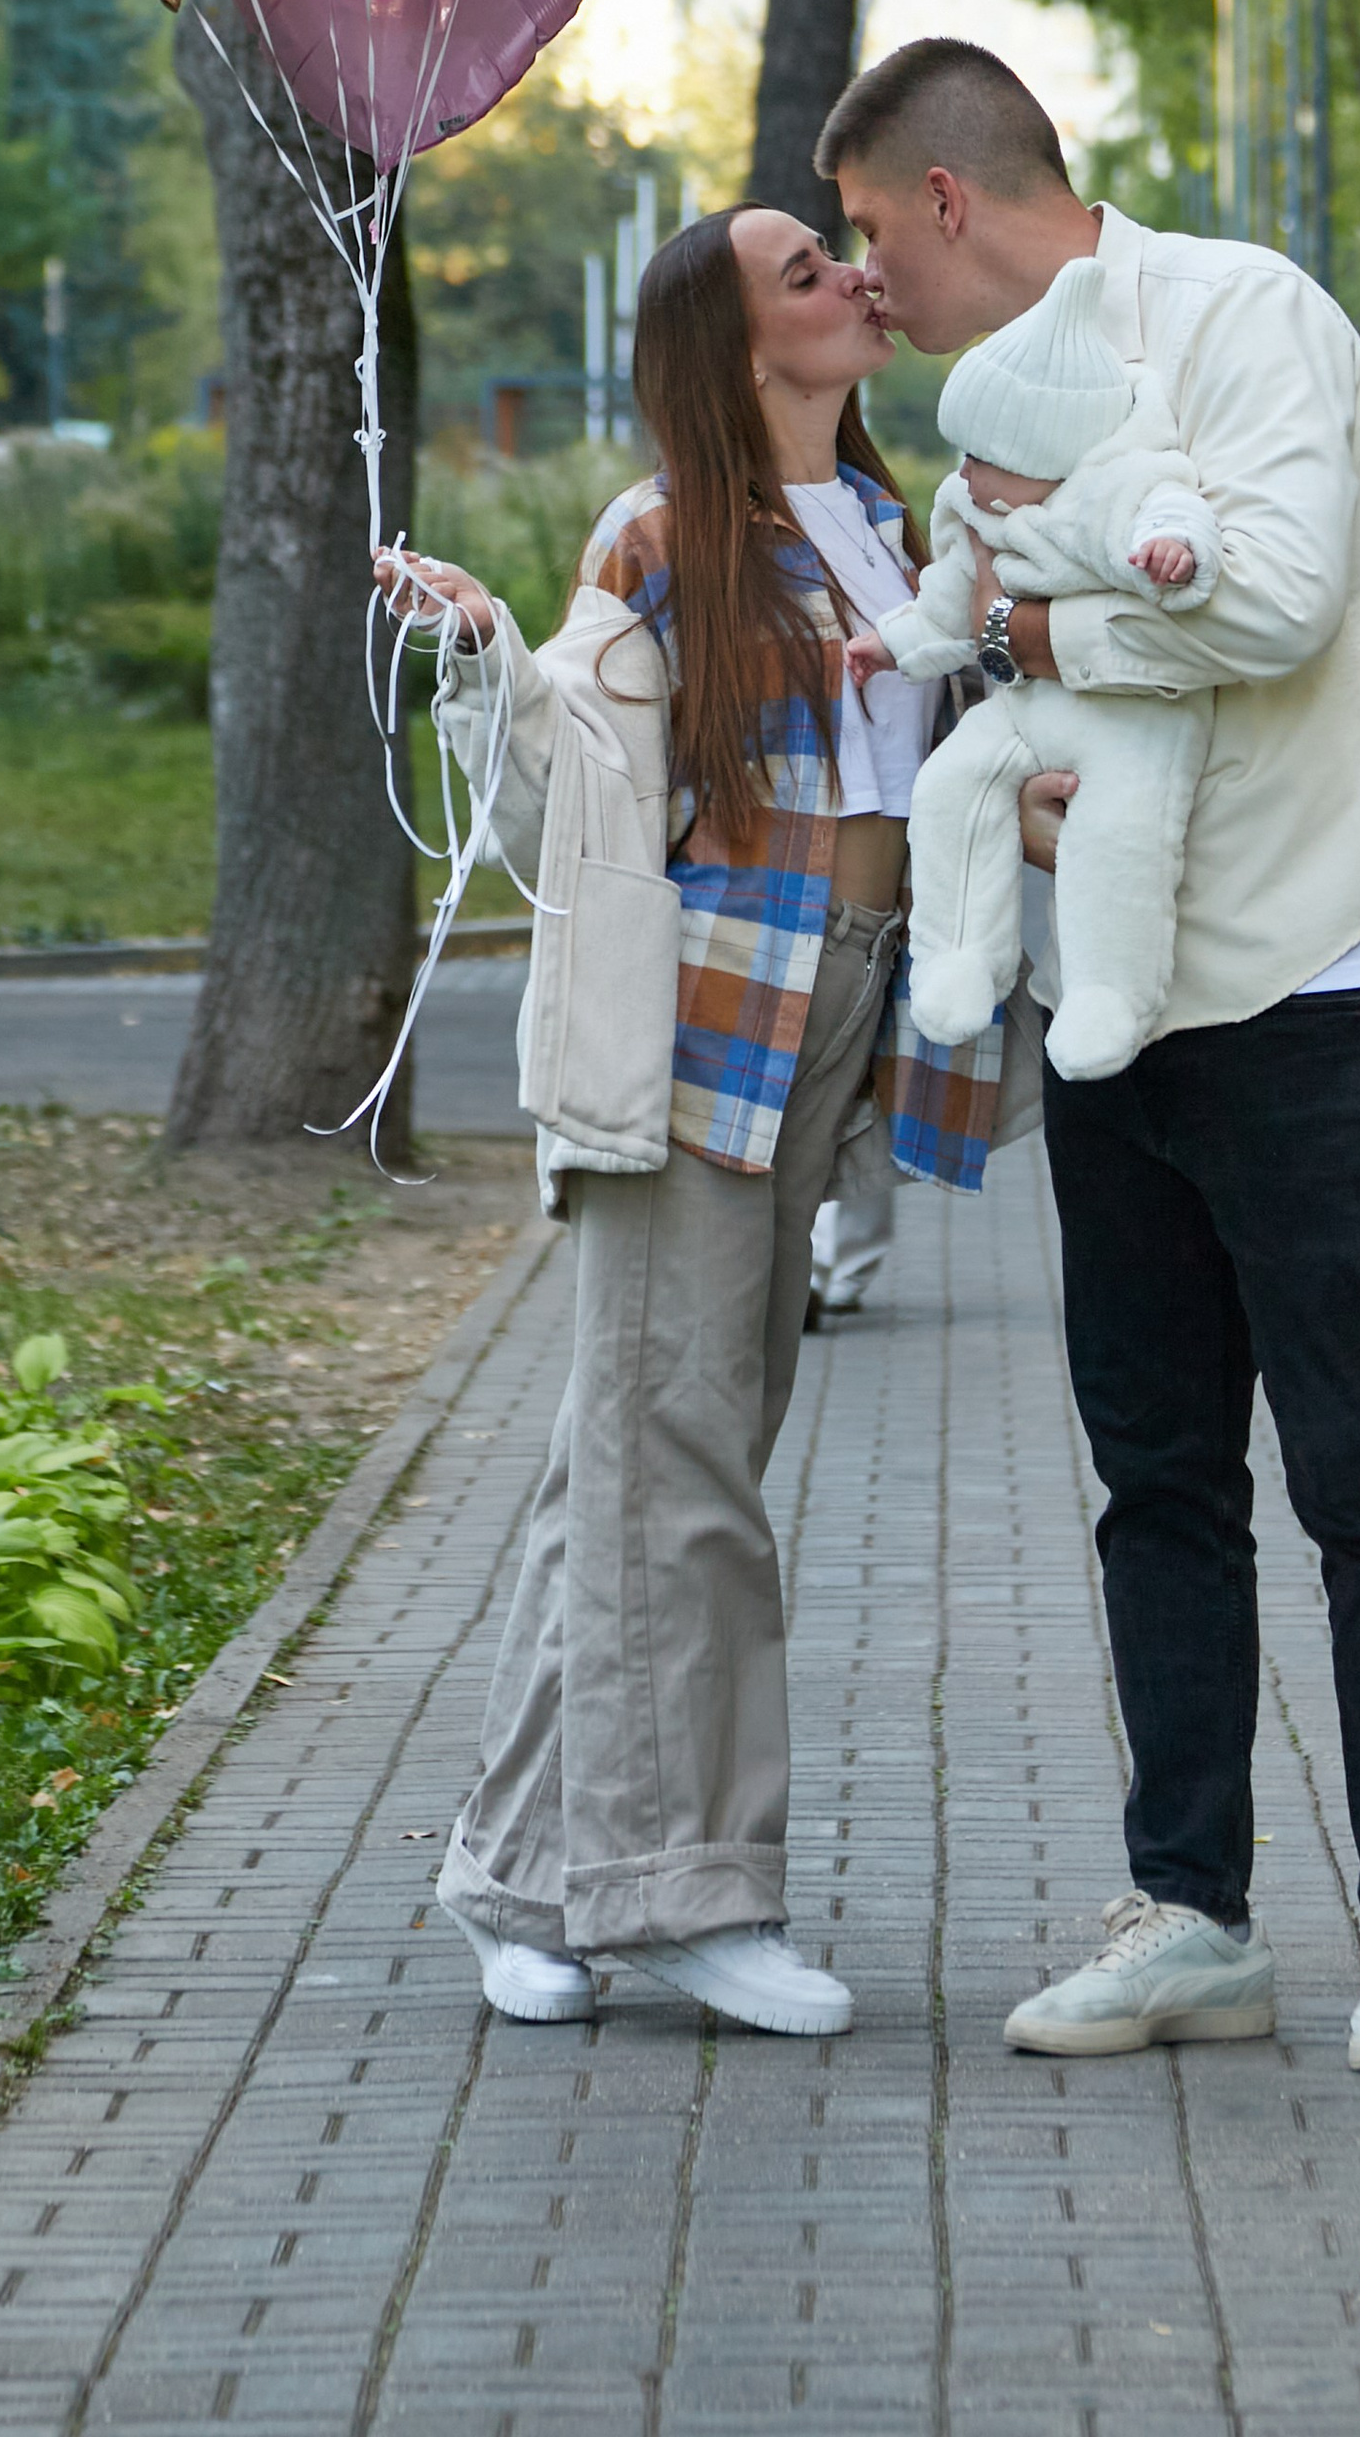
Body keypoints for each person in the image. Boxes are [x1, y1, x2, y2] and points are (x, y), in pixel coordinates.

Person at [822, 38, 1360, 2077]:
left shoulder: (1241, 315)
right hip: (1110, 998)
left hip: (1317, 988)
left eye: (874, 238)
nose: (871, 289)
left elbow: (1283, 602)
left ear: (949, 199)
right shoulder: (985, 437)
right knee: (1154, 1481)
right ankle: (1191, 1916)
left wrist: (1043, 644)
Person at [376, 206, 1041, 2040]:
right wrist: (487, 660)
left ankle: (521, 1877)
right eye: (804, 273)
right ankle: (677, 1895)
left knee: (647, 1452)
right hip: (701, 1021)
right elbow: (574, 795)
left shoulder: (896, 526)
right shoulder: (663, 535)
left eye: (841, 257)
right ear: (738, 344)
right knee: (677, 1467)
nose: (851, 279)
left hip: (845, 1001)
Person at [846, 254, 1226, 1079]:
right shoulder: (975, 501)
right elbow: (951, 591)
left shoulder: (1115, 487)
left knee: (1121, 839)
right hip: (1023, 707)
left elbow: (1176, 506)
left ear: (1048, 456)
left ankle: (1110, 991)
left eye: (983, 457)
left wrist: (1175, 550)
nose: (965, 473)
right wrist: (897, 642)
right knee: (951, 786)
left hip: (1133, 718)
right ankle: (959, 954)